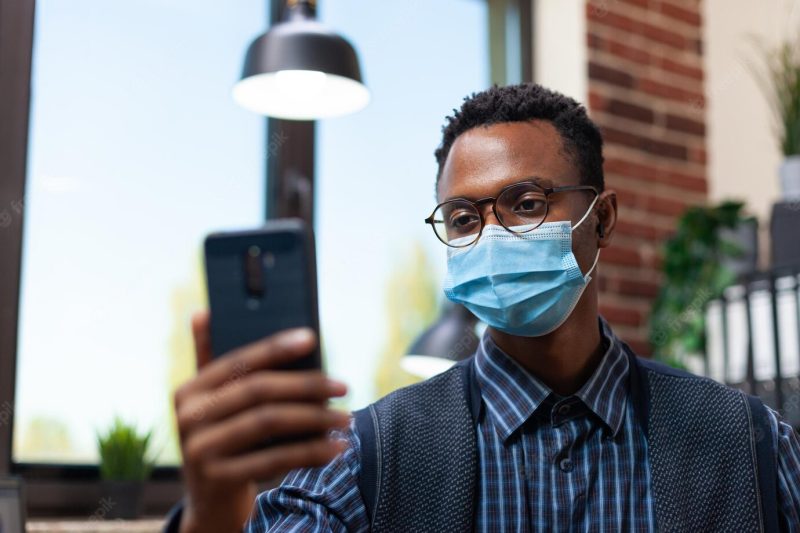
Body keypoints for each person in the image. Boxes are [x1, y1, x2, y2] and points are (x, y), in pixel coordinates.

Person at [166, 84, 800, 532]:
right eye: (464, 218)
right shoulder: (364, 460)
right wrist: (212, 518)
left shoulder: (748, 444)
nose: (491, 236)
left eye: (526, 204)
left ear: (600, 219)